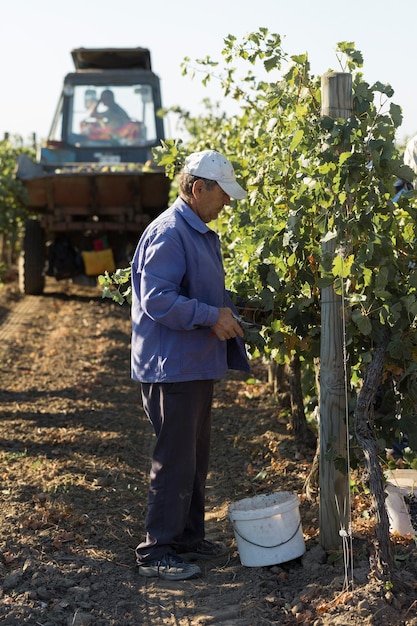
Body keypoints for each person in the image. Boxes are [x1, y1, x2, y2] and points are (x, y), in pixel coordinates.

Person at [131, 149, 250, 581]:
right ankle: (156, 551)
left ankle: (187, 538)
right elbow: (157, 299)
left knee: (195, 458)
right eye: (223, 194)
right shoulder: (170, 232)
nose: (228, 203)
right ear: (198, 188)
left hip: (193, 364)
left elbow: (201, 291)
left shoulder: (197, 231)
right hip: (172, 366)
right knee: (175, 458)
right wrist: (209, 315)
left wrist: (230, 313)